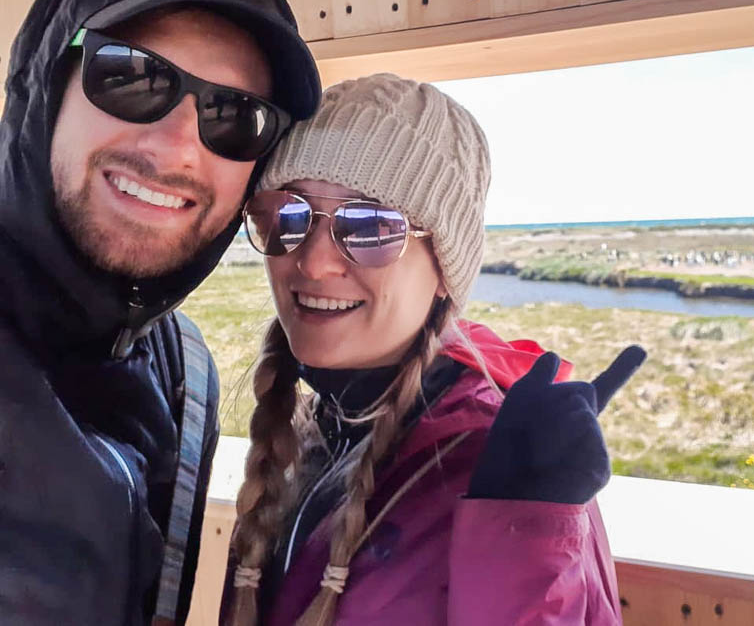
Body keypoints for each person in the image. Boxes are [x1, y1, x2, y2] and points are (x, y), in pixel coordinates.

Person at [222, 73, 645, 625]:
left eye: (371, 225)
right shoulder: (308, 435)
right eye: (289, 217)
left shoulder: (499, 466)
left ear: (444, 271)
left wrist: (524, 534)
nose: (314, 262)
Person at [0, 0, 321, 626]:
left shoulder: (186, 373)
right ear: (43, 83)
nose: (178, 147)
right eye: (132, 75)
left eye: (234, 116)